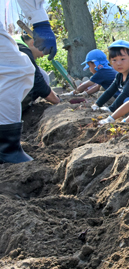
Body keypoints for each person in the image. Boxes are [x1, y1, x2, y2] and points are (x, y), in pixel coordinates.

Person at [0, 0, 57, 164]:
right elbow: (39, 84)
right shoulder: (23, 49)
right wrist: (41, 22)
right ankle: (7, 150)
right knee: (17, 70)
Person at [91, 40, 129, 113]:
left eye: (122, 59)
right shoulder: (119, 76)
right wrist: (97, 104)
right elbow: (109, 91)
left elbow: (125, 94)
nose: (118, 63)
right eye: (114, 60)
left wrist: (111, 109)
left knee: (127, 100)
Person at [14, 33, 60, 110]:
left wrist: (54, 95)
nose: (42, 56)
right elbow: (38, 81)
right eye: (44, 51)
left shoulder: (17, 40)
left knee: (43, 74)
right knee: (41, 77)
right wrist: (58, 101)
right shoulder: (22, 50)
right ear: (33, 43)